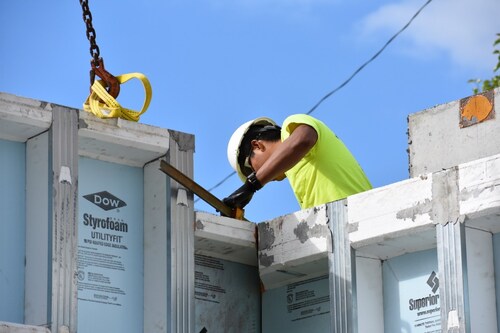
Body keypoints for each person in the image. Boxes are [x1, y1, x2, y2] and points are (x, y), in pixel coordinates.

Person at [222, 114, 372, 210]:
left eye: (251, 170)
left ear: (257, 145)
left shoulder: (291, 128)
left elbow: (303, 139)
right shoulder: (297, 169)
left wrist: (252, 184)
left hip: (357, 219)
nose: (256, 173)